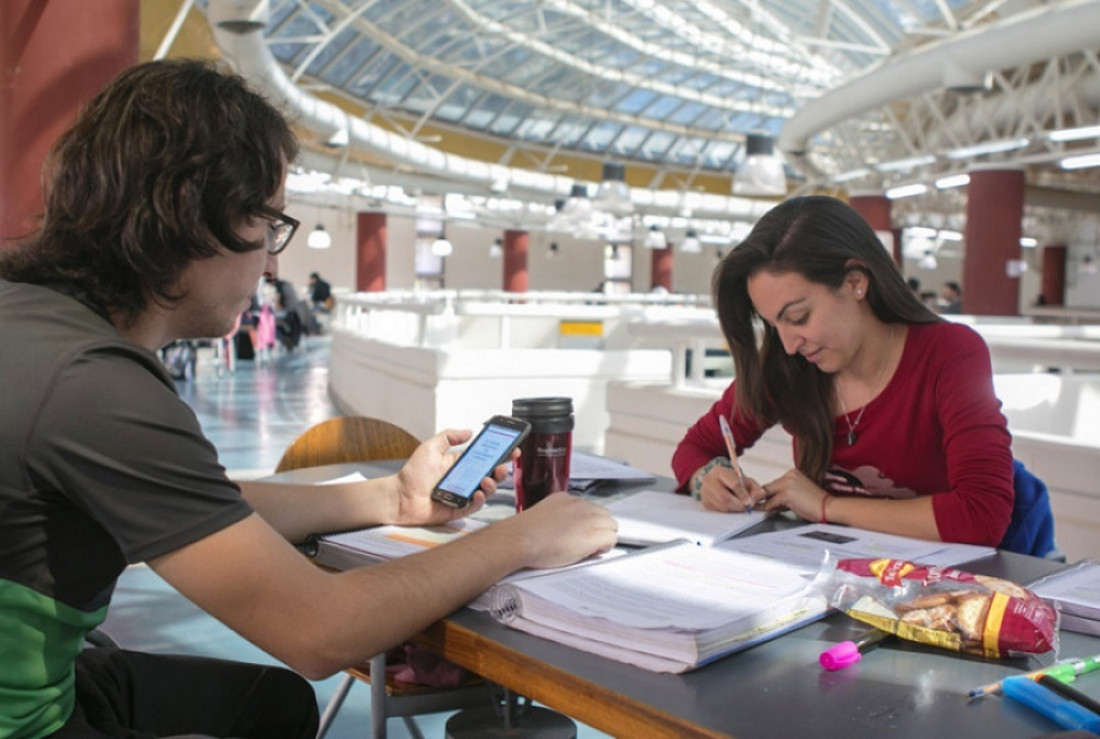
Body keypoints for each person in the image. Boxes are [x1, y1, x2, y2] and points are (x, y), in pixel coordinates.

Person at [0, 59, 617, 739]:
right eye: (268, 224)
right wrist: (526, 535)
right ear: (191, 213)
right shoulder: (95, 385)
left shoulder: (34, 322)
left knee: (273, 705)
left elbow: (195, 507)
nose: (271, 264)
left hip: (53, 677)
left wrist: (391, 500)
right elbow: (319, 631)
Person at [672, 196, 1014, 547]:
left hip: (942, 587)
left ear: (855, 283)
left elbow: (982, 514)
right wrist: (706, 479)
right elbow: (695, 448)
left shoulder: (949, 353)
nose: (789, 344)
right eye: (775, 326)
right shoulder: (786, 366)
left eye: (798, 318)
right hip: (833, 577)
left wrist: (827, 506)